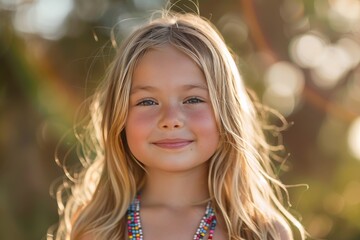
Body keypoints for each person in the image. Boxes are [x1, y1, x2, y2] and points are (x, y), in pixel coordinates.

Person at [49, 8, 306, 240]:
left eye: (193, 99)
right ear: (119, 117)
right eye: (147, 102)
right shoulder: (97, 230)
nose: (170, 119)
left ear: (227, 113)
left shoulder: (260, 232)